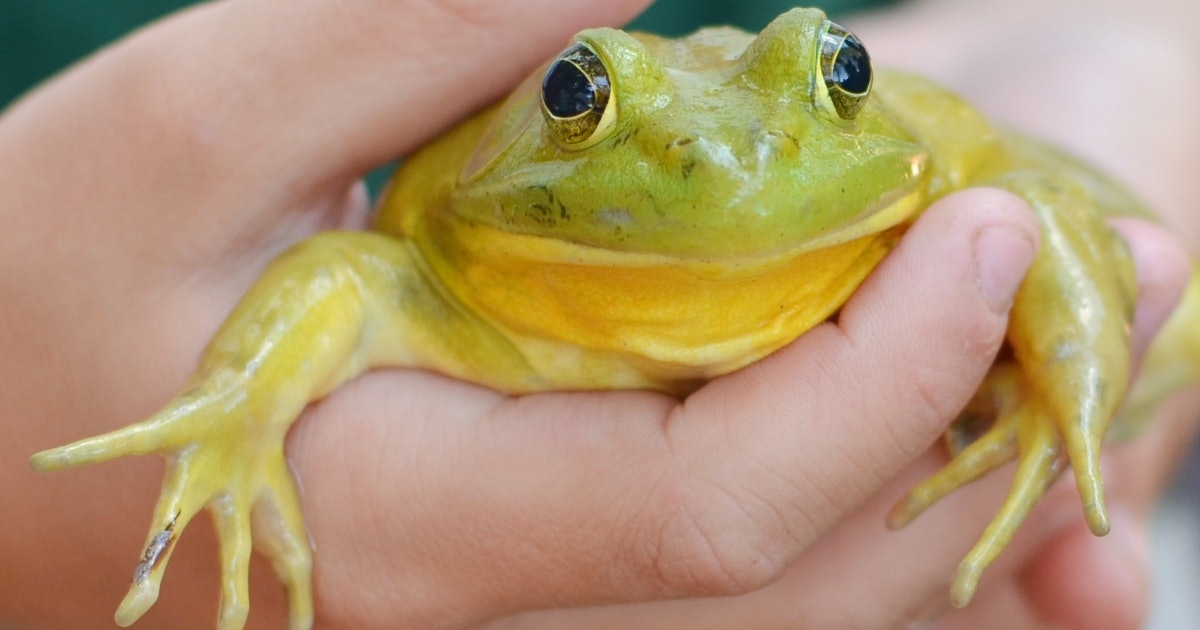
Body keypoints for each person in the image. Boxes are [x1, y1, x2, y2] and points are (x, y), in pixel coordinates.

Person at [0, 0, 1195, 628]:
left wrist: (1075, 387)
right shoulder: (448, 277)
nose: (721, 168)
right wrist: (205, 438)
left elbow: (1056, 209)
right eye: (579, 97)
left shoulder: (935, 181)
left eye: (839, 79)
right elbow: (345, 280)